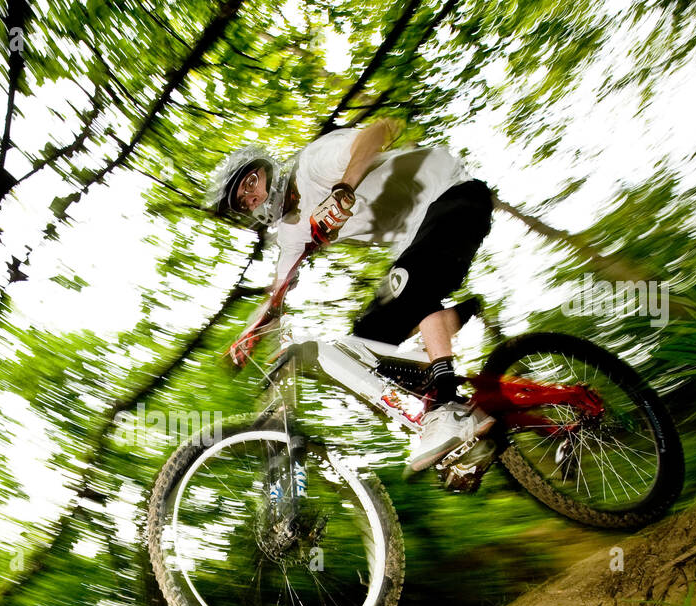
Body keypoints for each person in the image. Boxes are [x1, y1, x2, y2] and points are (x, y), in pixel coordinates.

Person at [205, 120, 495, 472]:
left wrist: (343, 189)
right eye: (242, 201)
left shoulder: (312, 164)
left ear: (266, 169)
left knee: (410, 282)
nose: (251, 196)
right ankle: (448, 368)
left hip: (453, 194)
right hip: (416, 240)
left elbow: (379, 131)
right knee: (367, 343)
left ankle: (449, 409)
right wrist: (252, 331)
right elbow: (279, 290)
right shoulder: (292, 230)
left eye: (251, 182)